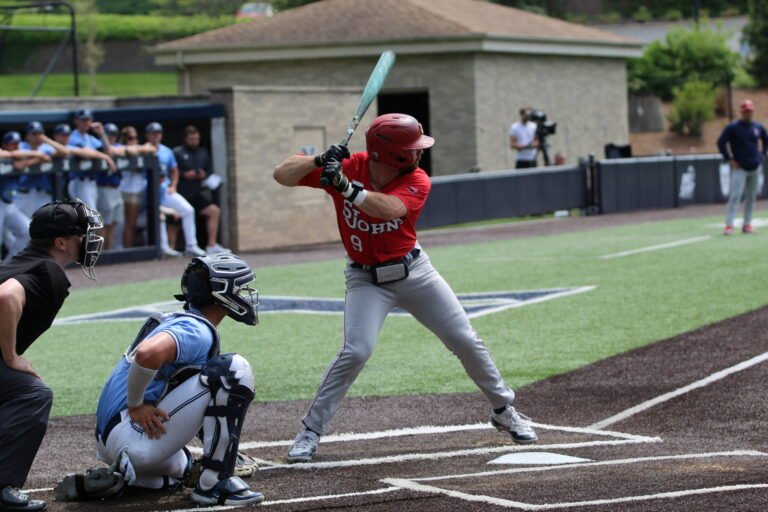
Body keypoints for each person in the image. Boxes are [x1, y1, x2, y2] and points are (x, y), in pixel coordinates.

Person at [273, 113, 538, 463]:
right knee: (356, 351)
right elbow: (282, 174)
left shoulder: (417, 179)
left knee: (464, 338)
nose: (419, 152)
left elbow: (390, 209)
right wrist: (320, 159)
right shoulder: (350, 167)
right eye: (412, 148)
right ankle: (310, 430)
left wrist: (345, 188)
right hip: (365, 279)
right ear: (391, 153)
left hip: (415, 272)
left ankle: (504, 409)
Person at [53, 253, 264, 506]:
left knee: (183, 470)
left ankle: (123, 480)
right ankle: (215, 483)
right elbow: (147, 353)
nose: (244, 294)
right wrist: (136, 405)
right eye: (238, 288)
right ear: (220, 292)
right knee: (233, 369)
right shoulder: (196, 330)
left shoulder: (178, 321)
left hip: (113, 440)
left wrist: (221, 450)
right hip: (132, 433)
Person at [0, 199, 103, 512]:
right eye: (80, 234)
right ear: (61, 242)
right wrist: (10, 356)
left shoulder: (21, 261)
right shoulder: (48, 272)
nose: (87, 240)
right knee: (32, 394)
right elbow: (5, 297)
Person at [144, 122, 206, 257]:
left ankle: (191, 246)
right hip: (149, 191)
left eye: (158, 133)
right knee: (158, 216)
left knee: (188, 210)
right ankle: (164, 248)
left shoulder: (167, 151)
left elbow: (174, 170)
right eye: (153, 133)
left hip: (165, 189)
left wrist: (173, 186)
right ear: (148, 135)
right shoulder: (143, 150)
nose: (156, 136)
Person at [173, 125, 230, 255]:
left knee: (214, 211)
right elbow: (172, 171)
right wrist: (185, 174)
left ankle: (211, 245)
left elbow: (209, 171)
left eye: (196, 139)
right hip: (181, 194)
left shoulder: (203, 152)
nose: (194, 141)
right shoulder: (177, 152)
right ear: (185, 139)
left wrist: (203, 174)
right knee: (174, 219)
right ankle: (172, 249)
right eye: (191, 139)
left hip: (195, 193)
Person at [718, 99, 768, 235]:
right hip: (739, 167)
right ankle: (729, 225)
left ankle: (747, 224)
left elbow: (766, 139)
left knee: (751, 197)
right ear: (741, 112)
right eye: (746, 111)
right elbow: (721, 142)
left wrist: (763, 154)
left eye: (750, 111)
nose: (748, 114)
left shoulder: (757, 127)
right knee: (735, 196)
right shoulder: (733, 127)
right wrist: (729, 159)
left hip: (755, 167)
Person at [16, 122, 68, 219]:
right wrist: (40, 157)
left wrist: (46, 139)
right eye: (34, 134)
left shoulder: (46, 148)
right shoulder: (21, 146)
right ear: (27, 136)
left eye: (40, 133)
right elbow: (15, 159)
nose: (37, 136)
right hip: (23, 194)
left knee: (44, 224)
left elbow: (65, 152)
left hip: (42, 194)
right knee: (24, 225)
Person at [67, 109, 116, 209]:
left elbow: (109, 152)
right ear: (76, 121)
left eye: (88, 120)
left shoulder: (89, 138)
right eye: (83, 120)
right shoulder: (72, 136)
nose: (86, 123)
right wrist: (105, 157)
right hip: (79, 181)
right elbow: (85, 153)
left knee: (87, 215)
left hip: (91, 181)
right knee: (89, 215)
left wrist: (102, 134)